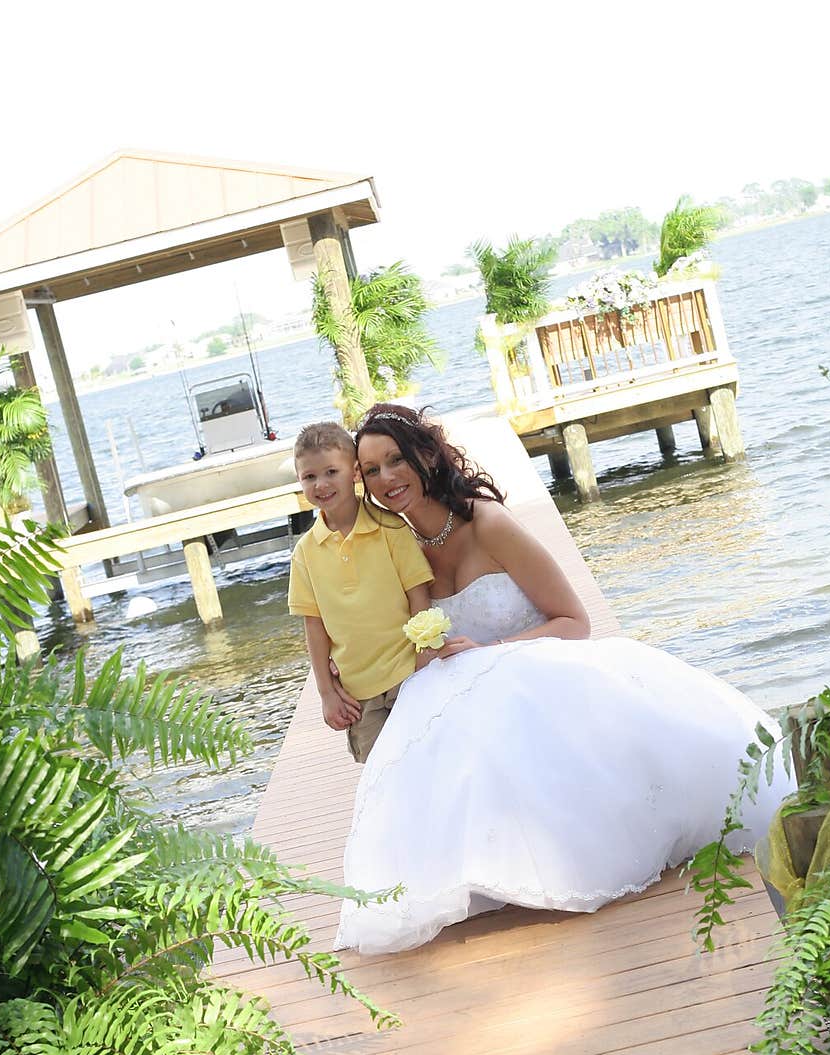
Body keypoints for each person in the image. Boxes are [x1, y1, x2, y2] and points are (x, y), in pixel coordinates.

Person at [335, 403, 795, 954]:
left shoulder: (489, 524)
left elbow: (575, 621)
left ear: (425, 455)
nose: (386, 479)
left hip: (538, 671)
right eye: (371, 470)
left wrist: (491, 651)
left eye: (394, 461)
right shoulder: (396, 547)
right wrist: (336, 675)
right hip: (468, 689)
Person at [288, 421, 434, 763]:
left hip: (408, 675)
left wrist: (424, 657)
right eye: (309, 477)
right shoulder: (305, 553)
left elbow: (418, 595)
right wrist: (327, 692)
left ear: (354, 473)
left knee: (429, 760)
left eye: (331, 472)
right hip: (358, 696)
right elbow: (314, 626)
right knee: (382, 777)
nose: (321, 484)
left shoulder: (390, 528)